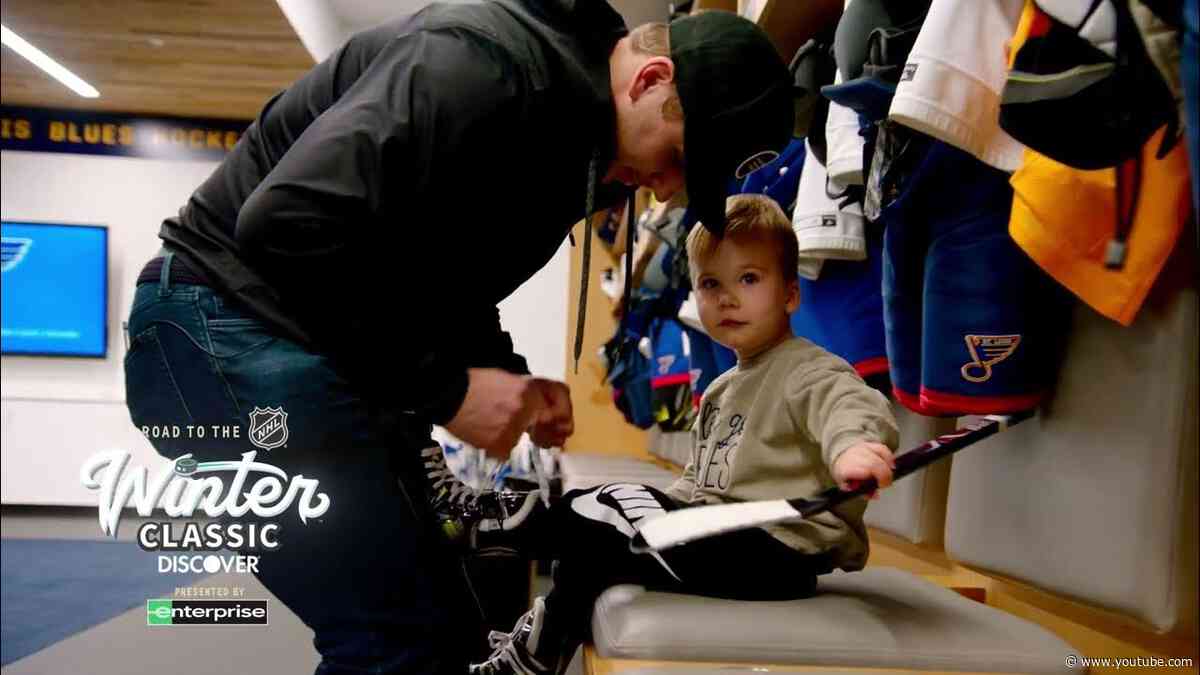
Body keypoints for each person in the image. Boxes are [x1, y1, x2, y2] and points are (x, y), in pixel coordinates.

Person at [121, 2, 794, 673]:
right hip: (222, 327)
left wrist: (506, 374)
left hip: (275, 336)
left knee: (443, 634)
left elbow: (439, 275)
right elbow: (286, 224)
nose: (666, 189)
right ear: (648, 80)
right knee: (396, 640)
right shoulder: (482, 66)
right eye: (677, 158)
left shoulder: (570, 136)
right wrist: (448, 391)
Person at [472, 194, 899, 675]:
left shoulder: (809, 370)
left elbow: (852, 406)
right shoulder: (720, 389)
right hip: (718, 541)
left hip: (777, 554)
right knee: (596, 546)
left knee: (609, 504)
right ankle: (537, 652)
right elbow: (695, 485)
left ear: (791, 294)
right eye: (710, 283)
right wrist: (660, 505)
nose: (727, 298)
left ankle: (512, 524)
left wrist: (855, 450)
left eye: (749, 279)